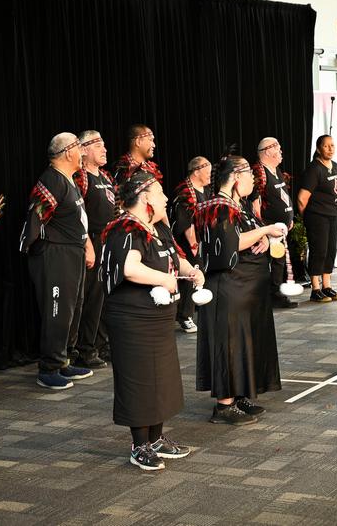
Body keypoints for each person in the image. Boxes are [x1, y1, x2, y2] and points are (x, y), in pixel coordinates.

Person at [100, 172, 203, 471]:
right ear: (145, 198)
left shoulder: (157, 227)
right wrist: (164, 279)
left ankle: (156, 439)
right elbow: (130, 269)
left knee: (162, 379)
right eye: (160, 193)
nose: (167, 198)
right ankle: (139, 446)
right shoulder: (125, 228)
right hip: (133, 319)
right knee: (139, 381)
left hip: (157, 319)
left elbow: (174, 257)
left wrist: (192, 270)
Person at [196, 155, 284, 425]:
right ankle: (224, 406)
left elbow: (251, 237)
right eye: (248, 174)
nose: (254, 179)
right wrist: (265, 230)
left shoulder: (239, 205)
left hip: (247, 287)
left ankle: (240, 394)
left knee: (246, 341)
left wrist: (264, 239)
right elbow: (231, 243)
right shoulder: (219, 207)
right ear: (235, 177)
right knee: (230, 343)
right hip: (230, 288)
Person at [19, 133, 94, 390]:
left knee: (73, 307)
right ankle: (49, 367)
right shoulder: (51, 180)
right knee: (58, 309)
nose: (83, 152)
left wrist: (86, 244)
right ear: (68, 152)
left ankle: (63, 360)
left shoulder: (69, 181)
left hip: (72, 253)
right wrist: (33, 248)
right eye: (79, 147)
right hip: (54, 255)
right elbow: (36, 215)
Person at [73, 130, 115, 368]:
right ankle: (85, 349)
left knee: (105, 298)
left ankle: (101, 344)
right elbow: (77, 214)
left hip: (109, 241)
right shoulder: (81, 178)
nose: (104, 149)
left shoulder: (106, 177)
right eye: (98, 144)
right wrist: (88, 243)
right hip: (91, 242)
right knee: (90, 298)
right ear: (84, 149)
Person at [249, 137, 297, 308]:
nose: (281, 151)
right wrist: (263, 228)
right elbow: (256, 204)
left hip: (280, 227)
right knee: (271, 262)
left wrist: (289, 218)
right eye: (278, 148)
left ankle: (276, 293)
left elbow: (282, 197)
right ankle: (270, 295)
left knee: (279, 260)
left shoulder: (276, 171)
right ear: (268, 151)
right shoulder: (259, 173)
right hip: (268, 227)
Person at [297, 135, 337, 303]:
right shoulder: (314, 169)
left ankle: (327, 286)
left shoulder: (335, 166)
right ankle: (315, 288)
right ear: (318, 149)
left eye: (332, 145)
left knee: (330, 250)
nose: (330, 149)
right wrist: (308, 217)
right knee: (319, 250)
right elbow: (302, 198)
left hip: (332, 214)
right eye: (326, 146)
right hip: (317, 216)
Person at [169, 156, 211, 333]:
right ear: (197, 170)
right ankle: (184, 315)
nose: (210, 172)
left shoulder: (205, 190)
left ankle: (199, 307)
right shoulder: (185, 192)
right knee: (191, 275)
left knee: (201, 273)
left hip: (203, 240)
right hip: (187, 243)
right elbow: (185, 222)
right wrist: (193, 244)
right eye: (206, 167)